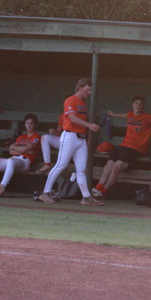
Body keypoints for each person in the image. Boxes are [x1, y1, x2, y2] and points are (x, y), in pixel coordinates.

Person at [92, 95, 151, 199]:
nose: (138, 105)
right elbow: (123, 115)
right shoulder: (130, 115)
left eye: (140, 104)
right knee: (108, 165)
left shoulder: (147, 117)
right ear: (132, 105)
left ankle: (103, 192)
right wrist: (113, 114)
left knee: (117, 167)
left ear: (143, 106)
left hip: (136, 149)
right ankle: (97, 188)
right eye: (136, 103)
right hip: (123, 146)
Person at [39, 77, 103, 206]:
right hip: (70, 136)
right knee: (60, 165)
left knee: (81, 169)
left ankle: (86, 197)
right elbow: (72, 118)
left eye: (90, 90)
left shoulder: (83, 103)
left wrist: (87, 128)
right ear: (80, 88)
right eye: (87, 90)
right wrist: (89, 125)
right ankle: (45, 193)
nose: (89, 92)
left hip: (80, 138)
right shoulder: (71, 100)